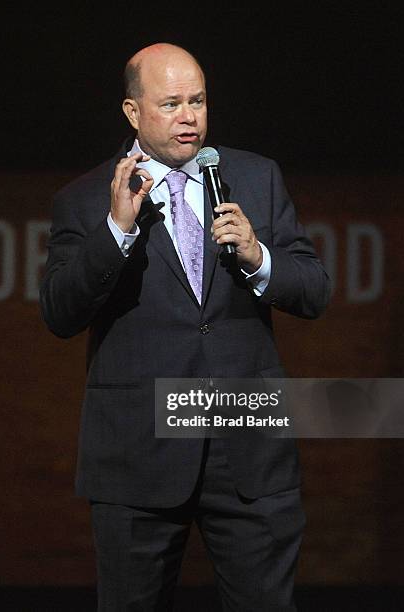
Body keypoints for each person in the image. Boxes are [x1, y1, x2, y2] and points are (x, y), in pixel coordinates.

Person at [40, 43, 330, 611]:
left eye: (197, 100)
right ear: (132, 112)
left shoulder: (254, 177)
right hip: (138, 453)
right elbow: (60, 312)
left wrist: (257, 256)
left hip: (248, 449)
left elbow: (314, 290)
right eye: (170, 103)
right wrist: (116, 232)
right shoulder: (84, 199)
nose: (189, 116)